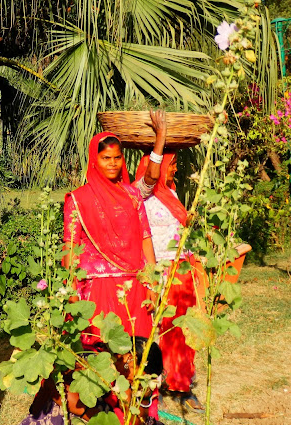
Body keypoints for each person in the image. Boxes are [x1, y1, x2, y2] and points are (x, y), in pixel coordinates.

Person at [63, 132, 158, 341]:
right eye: (106, 158)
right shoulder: (78, 199)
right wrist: (71, 289)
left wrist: (152, 283)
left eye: (117, 157)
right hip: (97, 288)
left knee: (136, 348)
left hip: (134, 285)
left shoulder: (133, 195)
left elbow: (145, 237)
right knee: (101, 349)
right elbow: (70, 246)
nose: (112, 163)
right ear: (94, 160)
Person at [134, 153, 203, 411]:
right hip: (154, 269)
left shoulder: (171, 193)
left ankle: (181, 383)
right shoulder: (141, 195)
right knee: (151, 327)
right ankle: (151, 384)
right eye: (171, 165)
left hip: (179, 266)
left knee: (180, 327)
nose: (175, 169)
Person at [20, 337, 164, 425]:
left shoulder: (130, 382)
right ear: (130, 358)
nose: (140, 382)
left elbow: (135, 421)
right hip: (62, 413)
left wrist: (141, 396)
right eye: (143, 375)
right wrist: (93, 415)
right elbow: (54, 387)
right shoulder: (91, 359)